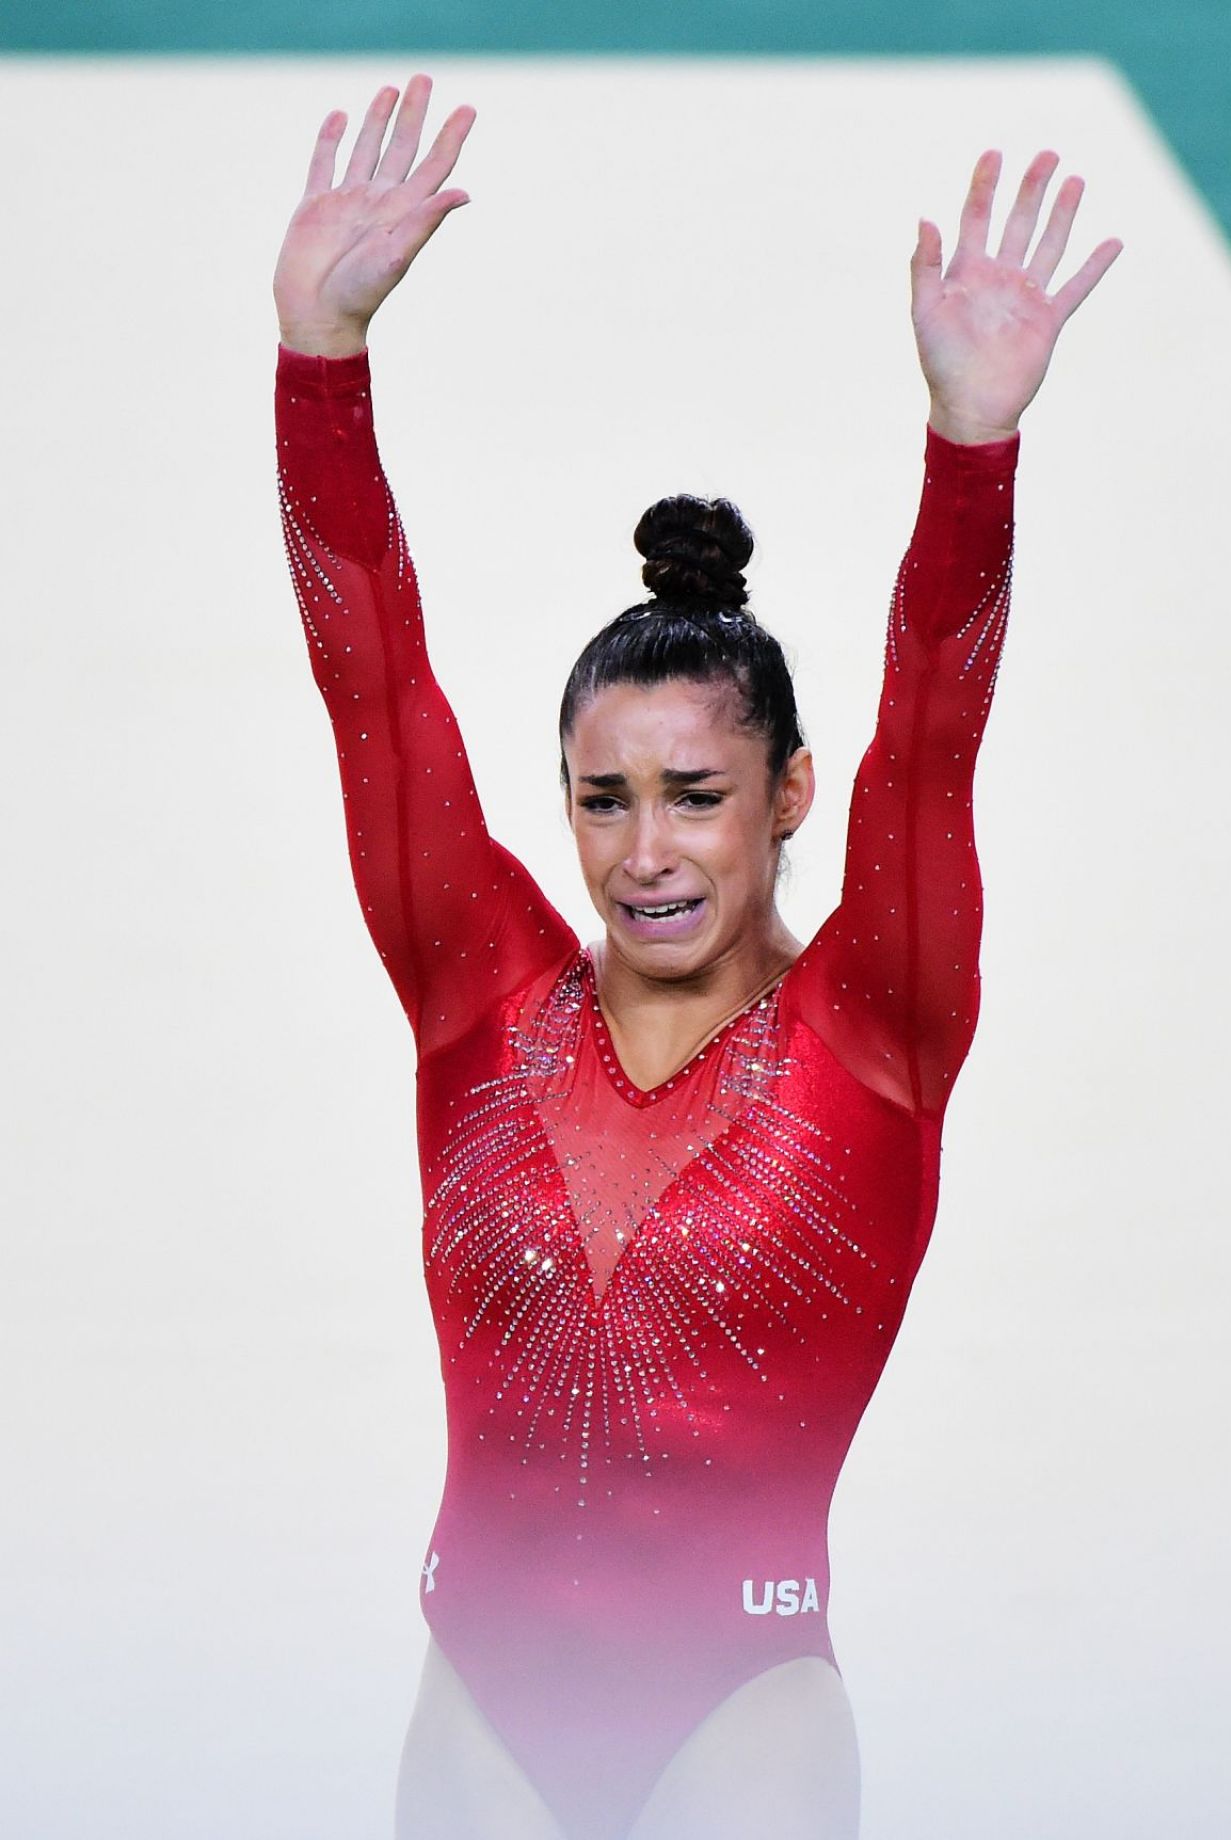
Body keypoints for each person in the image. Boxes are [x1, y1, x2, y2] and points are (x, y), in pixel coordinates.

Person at [273, 74, 1121, 1840]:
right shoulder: (477, 993)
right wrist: (319, 362)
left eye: (696, 796)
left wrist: (974, 451)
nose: (644, 853)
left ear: (787, 792)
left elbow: (937, 737)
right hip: (477, 1715)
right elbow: (372, 677)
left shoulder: (875, 1033)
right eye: (602, 800)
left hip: (740, 1723)